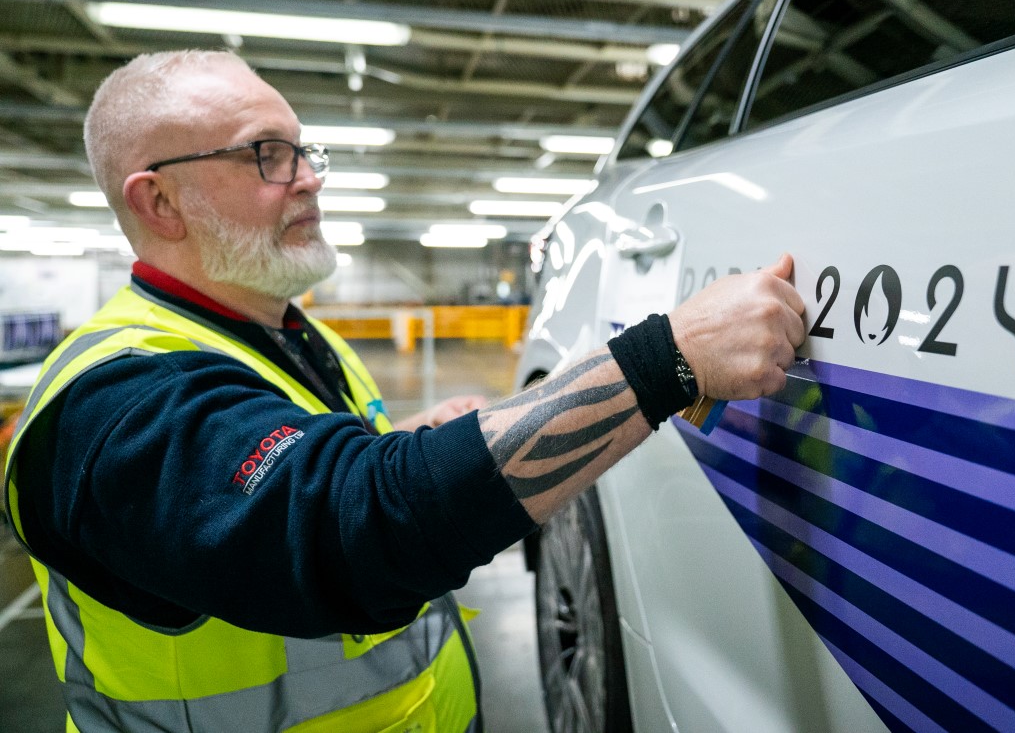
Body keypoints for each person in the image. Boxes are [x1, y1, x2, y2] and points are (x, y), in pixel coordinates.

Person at [2, 50, 806, 733]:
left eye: (305, 150)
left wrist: (407, 441)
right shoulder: (112, 404)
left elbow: (301, 464)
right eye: (267, 154)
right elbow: (351, 527)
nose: (310, 178)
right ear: (159, 200)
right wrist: (669, 359)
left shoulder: (280, 332)